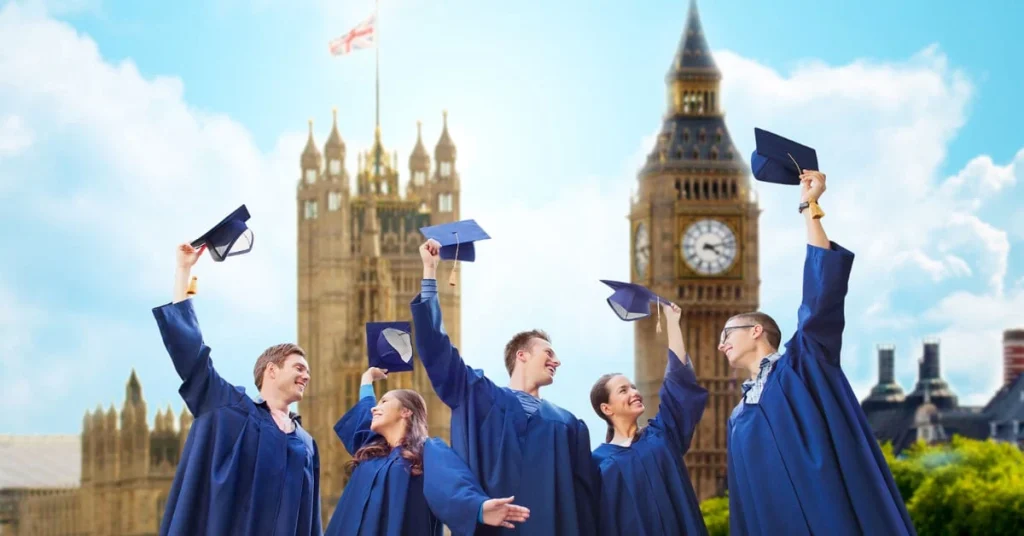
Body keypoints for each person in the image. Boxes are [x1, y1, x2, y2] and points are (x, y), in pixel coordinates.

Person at [724, 170, 916, 535]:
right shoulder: (737, 418)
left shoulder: (802, 364)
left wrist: (809, 205)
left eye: (727, 333)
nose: (720, 344)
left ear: (756, 331)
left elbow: (820, 296)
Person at [411, 237, 600, 535]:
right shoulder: (479, 395)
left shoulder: (569, 426)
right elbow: (437, 350)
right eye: (548, 353)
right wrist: (430, 272)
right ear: (521, 355)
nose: (557, 361)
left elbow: (587, 504)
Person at [152, 242, 322, 535]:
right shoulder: (229, 408)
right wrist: (183, 271)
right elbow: (191, 353)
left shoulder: (306, 444)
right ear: (271, 370)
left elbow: (309, 522)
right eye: (299, 368)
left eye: (308, 371)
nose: (306, 376)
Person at [325, 367, 530, 535]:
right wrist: (367, 379)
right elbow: (365, 411)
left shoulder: (425, 451)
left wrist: (478, 509)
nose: (374, 409)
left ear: (406, 412)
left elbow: (449, 485)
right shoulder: (371, 452)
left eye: (384, 402)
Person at [589, 301, 709, 536]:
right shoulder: (597, 463)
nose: (635, 392)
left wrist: (672, 323)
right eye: (623, 390)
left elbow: (678, 385)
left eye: (633, 387)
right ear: (607, 408)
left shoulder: (663, 434)